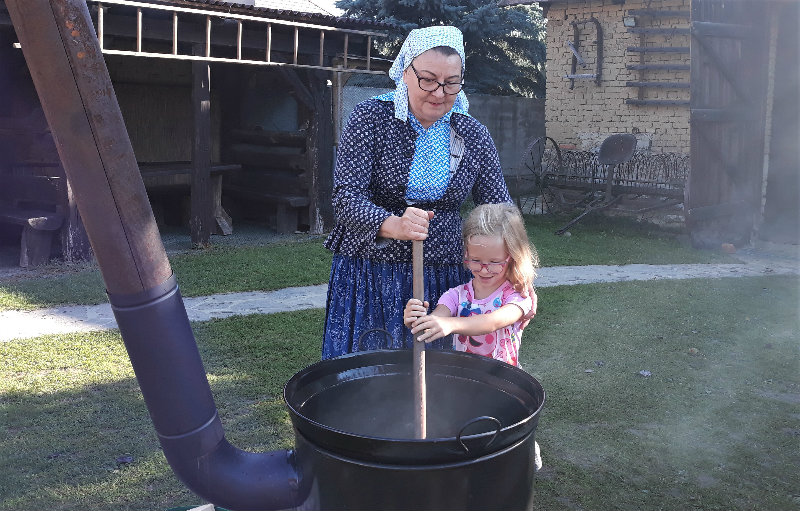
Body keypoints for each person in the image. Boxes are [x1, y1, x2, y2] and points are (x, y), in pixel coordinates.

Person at [322, 25, 515, 359]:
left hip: (444, 277)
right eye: (428, 79)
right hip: (372, 273)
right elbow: (345, 198)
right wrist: (394, 224)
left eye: (451, 82)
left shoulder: (472, 133)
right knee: (370, 370)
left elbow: (500, 209)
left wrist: (517, 267)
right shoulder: (370, 118)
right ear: (405, 72)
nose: (439, 93)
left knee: (437, 373)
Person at [403, 203, 538, 367]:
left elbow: (492, 322)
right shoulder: (456, 295)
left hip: (501, 378)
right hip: (464, 377)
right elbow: (437, 320)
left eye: (494, 262)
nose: (484, 269)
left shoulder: (517, 296)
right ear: (466, 253)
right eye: (475, 260)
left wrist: (451, 324)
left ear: (513, 257)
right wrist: (418, 320)